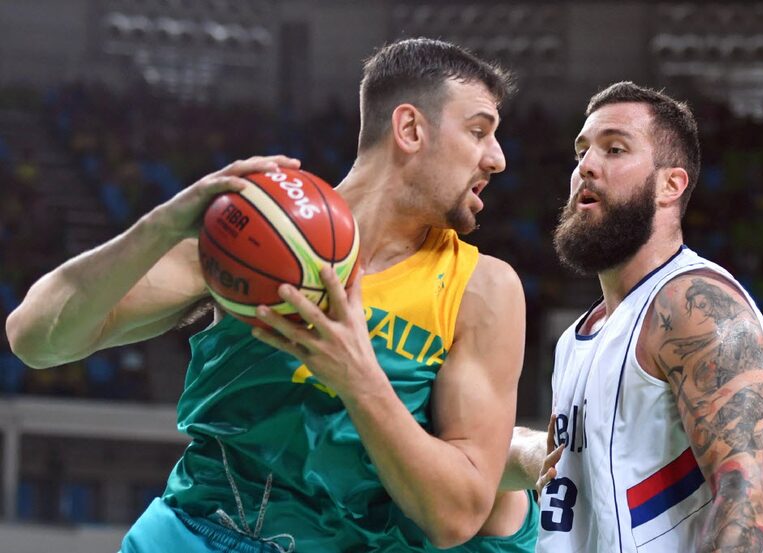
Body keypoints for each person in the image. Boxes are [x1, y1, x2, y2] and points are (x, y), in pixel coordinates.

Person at [6, 38, 539, 551]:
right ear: (409, 128)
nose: (497, 159)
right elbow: (35, 338)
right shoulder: (257, 234)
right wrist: (159, 229)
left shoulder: (482, 288)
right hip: (189, 535)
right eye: (478, 131)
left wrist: (360, 380)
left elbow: (457, 515)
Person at [509, 82, 763, 552]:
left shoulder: (695, 305)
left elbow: (746, 501)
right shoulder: (575, 338)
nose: (585, 167)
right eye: (582, 152)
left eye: (614, 149)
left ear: (670, 185)